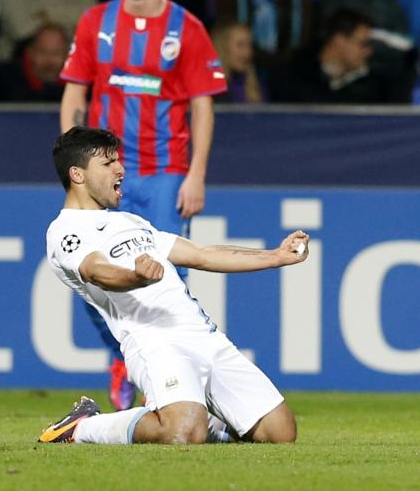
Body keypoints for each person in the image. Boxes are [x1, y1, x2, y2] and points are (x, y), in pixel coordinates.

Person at [39, 127, 307, 446]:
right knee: (182, 432)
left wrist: (275, 256)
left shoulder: (131, 222)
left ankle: (205, 416)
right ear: (77, 175)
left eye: (118, 161)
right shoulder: (65, 231)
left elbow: (201, 254)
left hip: (205, 337)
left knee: (280, 434)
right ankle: (82, 427)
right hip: (155, 342)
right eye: (108, 163)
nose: (120, 169)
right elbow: (98, 271)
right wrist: (135, 277)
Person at [59, 0, 227, 410]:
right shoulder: (95, 22)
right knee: (88, 274)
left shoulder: (187, 29)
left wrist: (196, 175)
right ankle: (122, 355)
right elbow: (75, 90)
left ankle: (174, 381)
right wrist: (73, 159)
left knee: (166, 280)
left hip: (164, 173)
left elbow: (202, 106)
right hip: (102, 175)